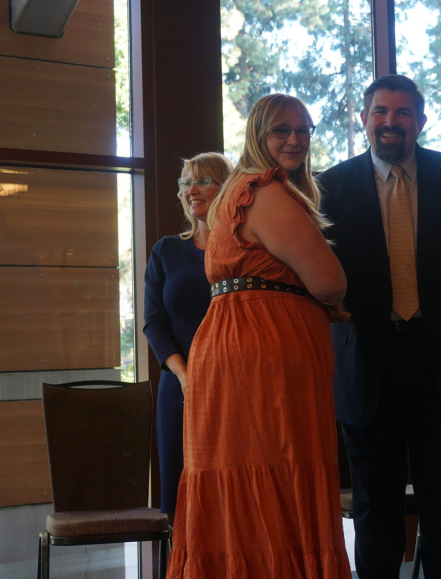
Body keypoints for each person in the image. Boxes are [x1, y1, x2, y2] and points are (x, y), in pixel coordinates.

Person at [317, 74, 441, 579]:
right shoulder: (328, 188)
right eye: (380, 112)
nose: (390, 123)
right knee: (375, 506)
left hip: (440, 361)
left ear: (420, 122)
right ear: (364, 120)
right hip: (364, 366)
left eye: (402, 114)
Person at [166, 94, 352, 578]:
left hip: (237, 340)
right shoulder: (263, 189)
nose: (296, 139)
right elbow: (330, 280)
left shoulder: (234, 192)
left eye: (305, 129)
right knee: (280, 469)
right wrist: (330, 302)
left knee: (244, 472)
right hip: (264, 347)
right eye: (281, 130)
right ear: (258, 136)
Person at [142, 152, 233, 517]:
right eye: (185, 182)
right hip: (178, 389)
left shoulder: (242, 251)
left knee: (227, 493)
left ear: (225, 189)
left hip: (231, 384)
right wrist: (183, 375)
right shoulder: (166, 250)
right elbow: (153, 322)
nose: (191, 189)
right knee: (179, 497)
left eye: (202, 181)